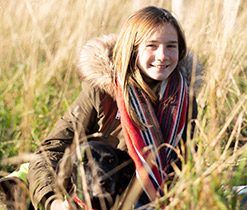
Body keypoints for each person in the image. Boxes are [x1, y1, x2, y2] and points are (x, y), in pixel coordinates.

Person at [26, 6, 198, 210]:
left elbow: (186, 165)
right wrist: (53, 202)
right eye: (151, 45)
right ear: (133, 49)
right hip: (95, 196)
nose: (162, 55)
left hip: (152, 201)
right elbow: (50, 151)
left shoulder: (184, 99)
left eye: (171, 46)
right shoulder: (102, 92)